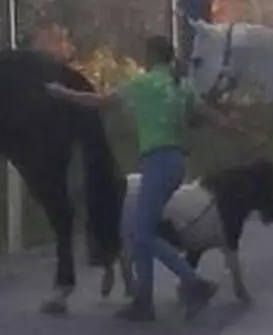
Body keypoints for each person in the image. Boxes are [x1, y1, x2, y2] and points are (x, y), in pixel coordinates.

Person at [46, 35, 254, 322]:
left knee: (141, 233)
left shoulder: (143, 84)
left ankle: (194, 283)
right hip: (177, 163)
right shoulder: (181, 86)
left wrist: (62, 93)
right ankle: (144, 302)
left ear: (152, 55)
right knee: (143, 229)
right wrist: (244, 133)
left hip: (157, 163)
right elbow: (213, 117)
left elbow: (99, 101)